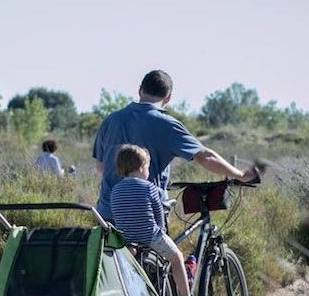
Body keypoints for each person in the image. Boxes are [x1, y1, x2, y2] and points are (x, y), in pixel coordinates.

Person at [92, 69, 259, 222]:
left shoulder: (110, 120)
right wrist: (239, 174)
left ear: (140, 90)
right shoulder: (167, 125)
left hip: (107, 212)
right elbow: (205, 157)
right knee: (163, 253)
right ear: (168, 98)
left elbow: (100, 168)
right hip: (145, 213)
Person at [110, 144, 204, 296]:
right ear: (141, 167)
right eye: (147, 167)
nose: (148, 171)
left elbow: (117, 214)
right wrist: (162, 231)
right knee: (176, 257)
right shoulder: (149, 187)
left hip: (127, 239)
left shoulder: (115, 190)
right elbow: (158, 215)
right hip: (150, 236)